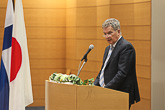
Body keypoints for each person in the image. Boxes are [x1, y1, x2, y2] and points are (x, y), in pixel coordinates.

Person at [94, 18, 140, 109]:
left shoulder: (126, 47)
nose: (107, 36)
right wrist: (94, 85)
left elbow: (122, 73)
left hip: (120, 92)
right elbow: (103, 69)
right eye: (105, 34)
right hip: (110, 92)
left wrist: (106, 88)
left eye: (110, 33)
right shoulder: (108, 48)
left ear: (118, 31)